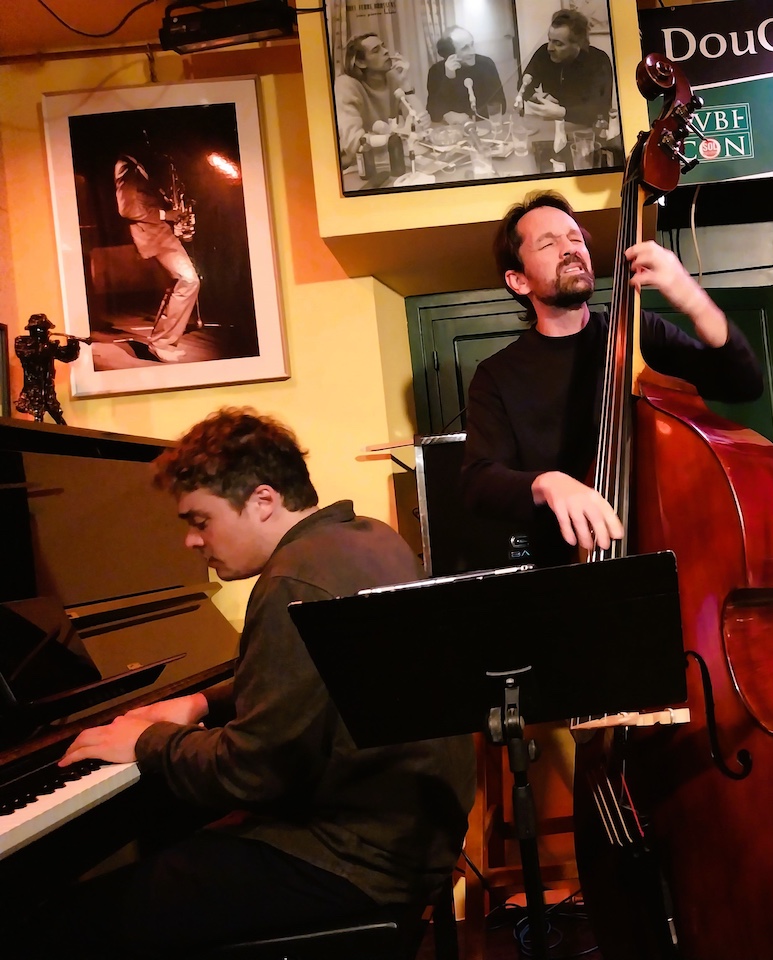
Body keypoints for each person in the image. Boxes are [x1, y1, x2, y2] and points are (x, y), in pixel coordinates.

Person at [16, 408, 475, 959]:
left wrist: (147, 742)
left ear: (262, 501)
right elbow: (311, 674)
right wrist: (200, 700)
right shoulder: (366, 538)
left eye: (200, 520)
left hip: (357, 856)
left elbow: (250, 773)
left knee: (63, 924)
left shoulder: (292, 580)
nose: (191, 541)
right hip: (415, 829)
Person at [461, 192, 763, 568]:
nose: (570, 249)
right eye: (548, 243)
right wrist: (548, 483)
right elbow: (478, 483)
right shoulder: (498, 375)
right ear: (518, 280)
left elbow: (743, 383)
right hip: (569, 570)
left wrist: (692, 299)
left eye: (575, 238)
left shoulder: (638, 335)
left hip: (674, 551)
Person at [114, 149, 199, 363]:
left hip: (162, 233)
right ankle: (162, 342)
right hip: (153, 236)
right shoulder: (126, 165)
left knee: (180, 283)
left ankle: (162, 342)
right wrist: (165, 214)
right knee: (188, 280)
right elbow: (126, 209)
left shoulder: (141, 166)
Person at [333, 32, 424, 168]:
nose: (386, 51)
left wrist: (404, 83)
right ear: (361, 62)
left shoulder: (392, 77)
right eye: (376, 50)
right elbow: (354, 143)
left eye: (383, 46)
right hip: (359, 166)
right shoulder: (346, 84)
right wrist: (394, 140)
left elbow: (421, 125)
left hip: (391, 159)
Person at [516, 9, 614, 126]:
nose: (549, 48)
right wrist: (540, 96)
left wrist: (562, 112)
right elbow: (523, 85)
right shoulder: (543, 53)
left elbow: (599, 109)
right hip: (554, 127)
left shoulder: (599, 60)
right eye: (549, 40)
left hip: (586, 130)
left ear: (578, 44)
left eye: (558, 43)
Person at [426, 25, 505, 125]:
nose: (472, 52)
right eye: (465, 48)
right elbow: (433, 112)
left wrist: (467, 117)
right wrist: (448, 78)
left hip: (483, 125)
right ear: (450, 53)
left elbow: (500, 104)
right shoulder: (435, 71)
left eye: (472, 44)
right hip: (452, 131)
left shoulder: (486, 64)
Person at [14, 313, 80, 424]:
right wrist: (50, 346)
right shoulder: (22, 343)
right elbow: (36, 353)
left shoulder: (49, 346)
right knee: (38, 417)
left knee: (58, 417)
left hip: (48, 390)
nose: (46, 332)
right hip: (33, 390)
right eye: (43, 329)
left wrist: (72, 344)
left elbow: (66, 356)